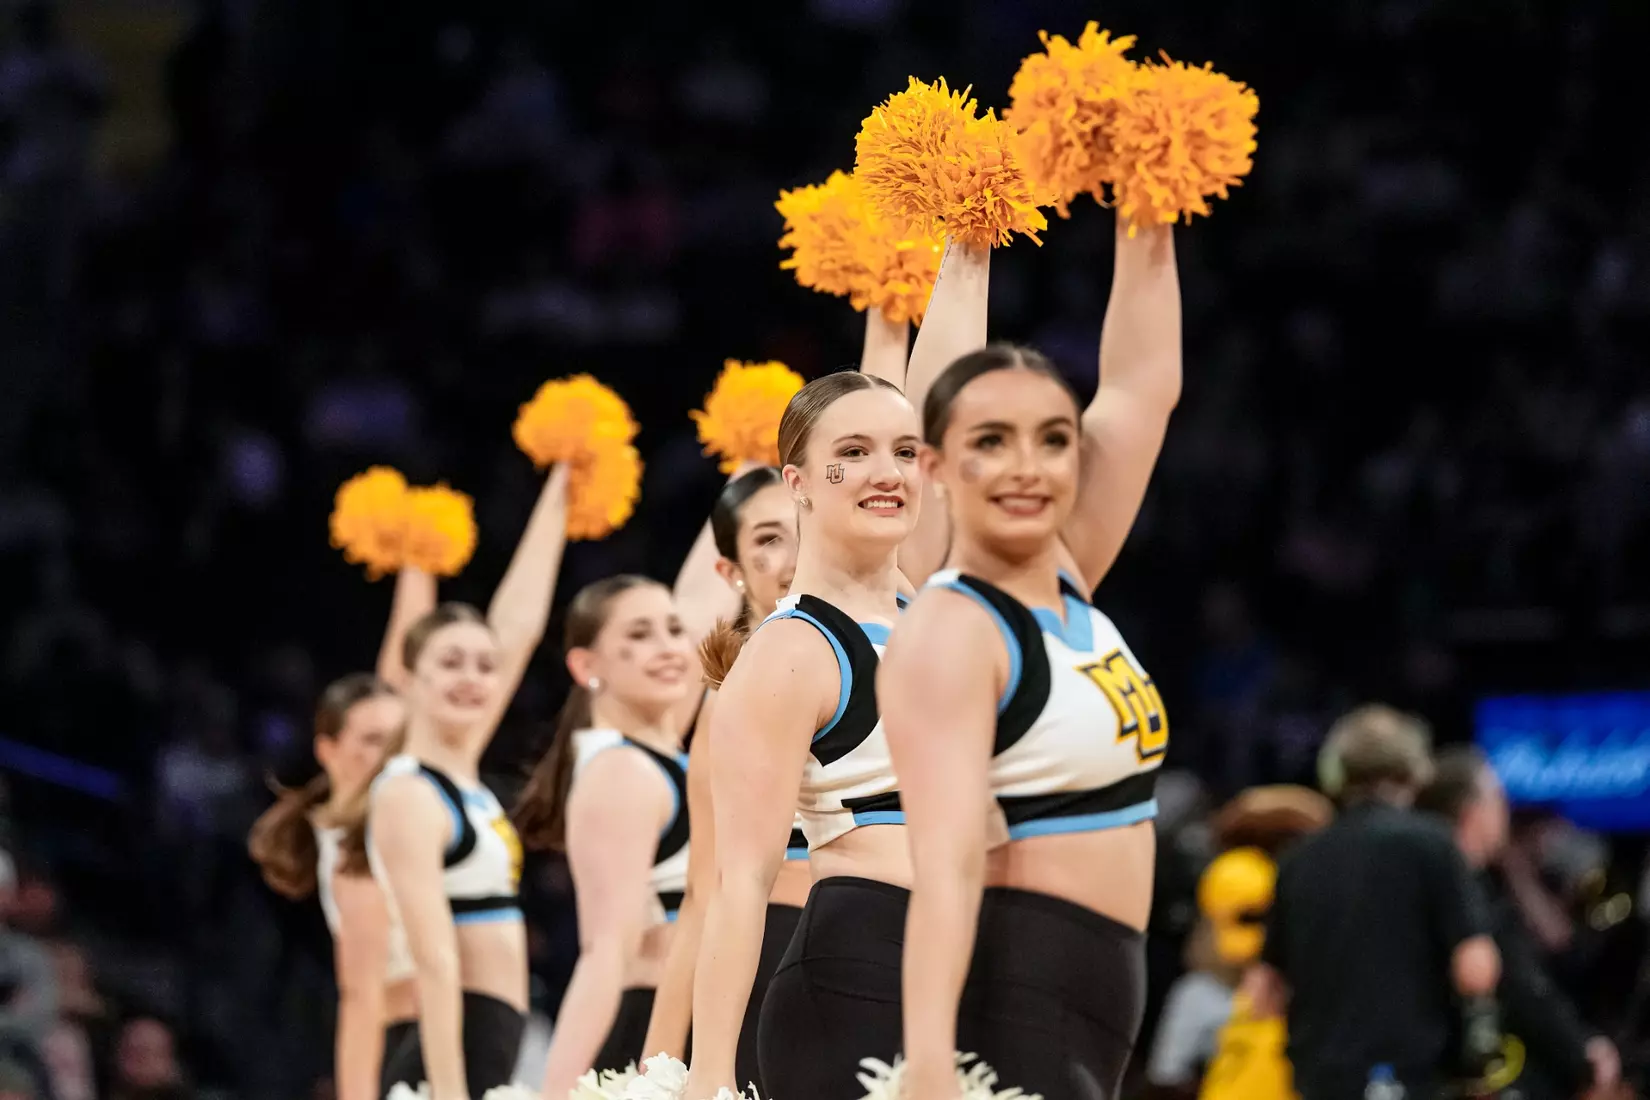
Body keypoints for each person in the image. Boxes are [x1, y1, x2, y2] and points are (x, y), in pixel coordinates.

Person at [876, 218, 1182, 1100]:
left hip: (1104, 986)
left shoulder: (1066, 573)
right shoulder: (951, 628)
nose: (1029, 467)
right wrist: (928, 1061)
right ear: (935, 465)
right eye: (991, 442)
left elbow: (1141, 386)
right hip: (1018, 985)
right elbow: (946, 864)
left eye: (1053, 438)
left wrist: (1148, 201)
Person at [681, 367, 932, 1100]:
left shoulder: (929, 617)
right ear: (797, 482)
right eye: (852, 452)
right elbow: (740, 885)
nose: (886, 473)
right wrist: (708, 1079)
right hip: (857, 977)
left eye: (906, 451)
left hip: (959, 968)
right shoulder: (790, 649)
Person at [360, 465, 570, 1100]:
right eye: (450, 663)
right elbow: (434, 960)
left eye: (485, 666)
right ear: (411, 679)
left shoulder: (460, 773)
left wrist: (562, 481)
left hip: (488, 1040)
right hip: (445, 1051)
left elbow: (521, 625)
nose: (476, 678)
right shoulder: (406, 789)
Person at [639, 466, 811, 1089]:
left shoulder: (889, 642)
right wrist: (656, 1067)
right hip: (786, 953)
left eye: (802, 528)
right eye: (768, 538)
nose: (793, 554)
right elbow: (704, 892)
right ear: (731, 571)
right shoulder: (731, 697)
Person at [1246, 705, 1502, 1100]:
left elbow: (1263, 992)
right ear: (1416, 770)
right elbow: (1475, 969)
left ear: (1336, 771)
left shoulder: (1297, 858)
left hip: (1319, 1079)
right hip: (1407, 1073)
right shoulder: (1432, 843)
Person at [511, 574, 699, 1098]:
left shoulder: (665, 755)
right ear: (586, 666)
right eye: (639, 635)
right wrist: (558, 1091)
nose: (666, 648)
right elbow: (604, 953)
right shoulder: (621, 771)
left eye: (674, 629)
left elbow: (709, 593)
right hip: (649, 1039)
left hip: (692, 1025)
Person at [248, 672, 420, 1100]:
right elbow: (362, 998)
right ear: (328, 750)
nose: (386, 758)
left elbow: (399, 675)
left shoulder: (380, 827)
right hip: (404, 1050)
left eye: (396, 744)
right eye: (371, 741)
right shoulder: (352, 849)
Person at [1416, 747, 1621, 1100]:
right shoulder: (1463, 890)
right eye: (1497, 800)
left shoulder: (1436, 883)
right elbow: (1520, 984)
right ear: (1472, 812)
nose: (1505, 813)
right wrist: (1579, 1053)